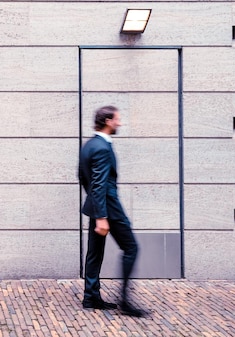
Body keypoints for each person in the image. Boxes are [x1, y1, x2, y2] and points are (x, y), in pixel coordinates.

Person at [79, 105, 146, 317]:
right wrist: (102, 217)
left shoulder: (89, 145)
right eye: (117, 119)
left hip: (97, 206)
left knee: (94, 253)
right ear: (108, 121)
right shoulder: (102, 148)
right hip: (108, 209)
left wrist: (95, 208)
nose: (120, 123)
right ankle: (125, 302)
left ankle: (91, 297)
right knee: (131, 248)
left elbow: (82, 178)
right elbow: (99, 183)